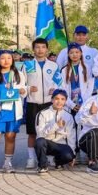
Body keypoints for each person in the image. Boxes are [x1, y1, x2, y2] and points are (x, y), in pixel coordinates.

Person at [23, 37, 59, 170]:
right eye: (37, 47)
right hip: (33, 102)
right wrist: (28, 89)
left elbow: (58, 82)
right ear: (33, 50)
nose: (40, 50)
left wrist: (55, 89)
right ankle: (31, 158)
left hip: (48, 103)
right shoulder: (27, 65)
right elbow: (21, 83)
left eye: (43, 47)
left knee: (49, 131)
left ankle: (49, 157)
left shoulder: (53, 65)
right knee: (32, 133)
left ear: (47, 49)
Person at [33, 89, 77, 172]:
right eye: (57, 98)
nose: (59, 102)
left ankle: (57, 161)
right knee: (39, 142)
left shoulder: (68, 116)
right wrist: (55, 126)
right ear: (52, 99)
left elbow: (71, 136)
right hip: (47, 143)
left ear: (65, 101)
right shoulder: (42, 114)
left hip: (61, 145)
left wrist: (73, 154)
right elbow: (40, 134)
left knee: (69, 156)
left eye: (62, 99)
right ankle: (43, 165)